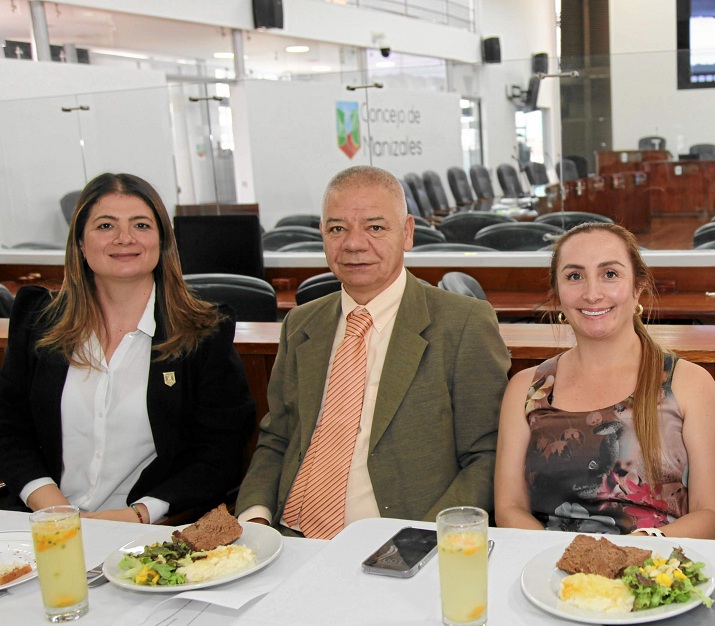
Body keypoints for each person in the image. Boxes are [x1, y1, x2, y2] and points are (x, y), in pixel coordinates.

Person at [235, 165, 509, 539]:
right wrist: (255, 521)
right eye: (337, 229)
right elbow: (277, 439)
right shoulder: (301, 323)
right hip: (289, 537)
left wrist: (422, 538)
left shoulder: (462, 323)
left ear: (407, 233)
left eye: (375, 227)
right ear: (322, 234)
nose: (354, 244)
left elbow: (487, 456)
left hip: (400, 539)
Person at [0, 173, 255, 524]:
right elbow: (8, 428)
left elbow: (220, 454)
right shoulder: (37, 320)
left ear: (162, 241)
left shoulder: (204, 333)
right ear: (80, 243)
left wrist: (140, 514)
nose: (124, 238)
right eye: (106, 225)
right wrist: (56, 511)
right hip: (41, 521)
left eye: (141, 225)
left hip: (144, 528)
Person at [494, 223, 715, 538]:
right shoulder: (525, 389)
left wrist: (638, 550)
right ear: (558, 292)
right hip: (547, 562)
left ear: (637, 288)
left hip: (654, 562)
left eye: (610, 274)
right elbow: (509, 508)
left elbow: (712, 516)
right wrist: (561, 557)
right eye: (574, 276)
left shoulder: (690, 384)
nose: (592, 294)